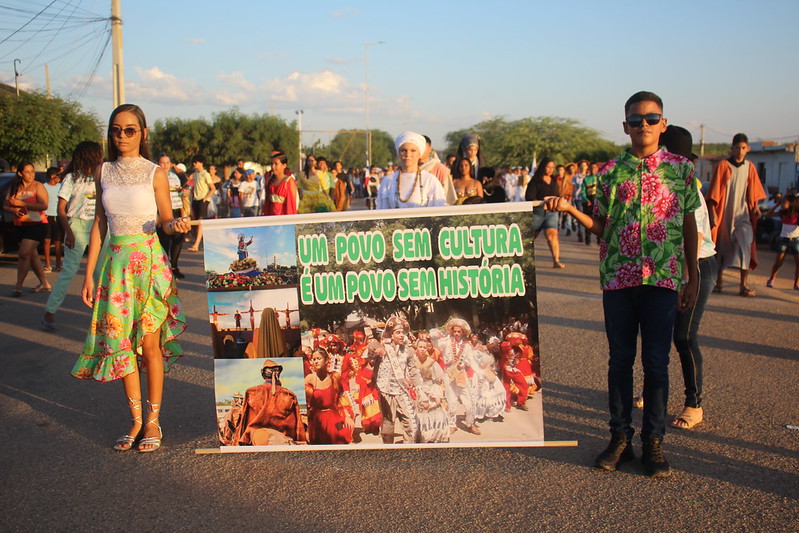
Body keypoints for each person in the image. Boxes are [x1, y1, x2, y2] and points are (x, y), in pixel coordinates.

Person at [544, 91, 699, 477]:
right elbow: (602, 227)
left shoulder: (681, 170)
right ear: (625, 125)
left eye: (651, 118)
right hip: (619, 277)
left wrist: (692, 275)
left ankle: (654, 441)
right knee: (620, 361)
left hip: (662, 277)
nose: (643, 125)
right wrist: (570, 209)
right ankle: (620, 438)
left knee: (657, 363)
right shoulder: (610, 172)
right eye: (635, 120)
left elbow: (691, 225)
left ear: (663, 123)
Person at [71, 103, 191, 453]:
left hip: (150, 266)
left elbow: (166, 221)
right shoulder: (103, 171)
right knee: (122, 345)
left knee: (150, 346)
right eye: (115, 130)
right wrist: (90, 274)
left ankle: (153, 421)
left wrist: (177, 225)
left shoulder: (155, 173)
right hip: (116, 268)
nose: (121, 136)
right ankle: (136, 421)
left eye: (129, 130)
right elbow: (99, 224)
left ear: (143, 133)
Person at [661, 125, 718, 431]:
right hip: (675, 266)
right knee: (661, 332)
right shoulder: (667, 183)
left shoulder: (686, 186)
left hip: (696, 266)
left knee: (684, 336)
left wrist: (688, 280)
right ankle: (657, 391)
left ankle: (694, 404)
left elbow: (692, 235)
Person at [41, 141, 104, 329]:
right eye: (98, 154)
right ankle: (50, 312)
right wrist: (68, 232)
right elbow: (61, 209)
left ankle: (100, 315)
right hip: (76, 226)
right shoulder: (71, 179)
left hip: (99, 227)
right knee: (69, 271)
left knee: (101, 273)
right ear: (90, 156)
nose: (101, 157)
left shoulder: (101, 176)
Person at [707, 133, 767, 296]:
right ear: (732, 148)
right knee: (722, 248)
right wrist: (713, 213)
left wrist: (755, 207)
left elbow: (753, 191)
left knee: (745, 245)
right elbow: (713, 193)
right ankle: (718, 283)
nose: (740, 151)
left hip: (743, 215)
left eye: (743, 148)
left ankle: (744, 284)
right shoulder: (723, 165)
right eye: (737, 148)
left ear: (747, 149)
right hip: (725, 214)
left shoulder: (750, 167)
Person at [373, 317, 428, 444]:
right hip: (386, 392)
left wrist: (420, 389)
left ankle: (408, 450)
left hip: (401, 391)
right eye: (398, 332)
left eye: (403, 332)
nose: (402, 335)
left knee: (411, 424)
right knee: (388, 426)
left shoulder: (408, 351)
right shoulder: (384, 348)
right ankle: (388, 451)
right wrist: (376, 349)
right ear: (391, 335)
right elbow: (370, 348)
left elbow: (413, 371)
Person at [3, 161, 51, 296]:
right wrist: (13, 210)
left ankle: (18, 286)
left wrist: (23, 203)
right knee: (32, 254)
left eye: (32, 171)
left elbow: (44, 205)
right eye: (27, 172)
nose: (31, 174)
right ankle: (44, 283)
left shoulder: (38, 186)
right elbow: (6, 205)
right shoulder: (14, 187)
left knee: (23, 254)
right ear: (20, 173)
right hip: (20, 225)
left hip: (37, 225)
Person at [233, 360, 307, 445]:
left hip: (257, 442)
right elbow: (297, 428)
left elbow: (243, 423)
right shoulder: (289, 395)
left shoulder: (252, 392)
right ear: (278, 374)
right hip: (283, 443)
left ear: (263, 374)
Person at [377, 132, 446, 209]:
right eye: (403, 150)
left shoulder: (429, 180)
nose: (407, 154)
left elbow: (438, 211)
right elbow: (382, 211)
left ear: (419, 153)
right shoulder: (388, 181)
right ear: (398, 153)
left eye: (413, 151)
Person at [439, 318, 481, 435]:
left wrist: (479, 372)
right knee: (451, 402)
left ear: (463, 333)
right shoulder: (446, 343)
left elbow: (471, 361)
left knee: (469, 401)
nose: (457, 334)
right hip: (449, 375)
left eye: (459, 332)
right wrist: (439, 335)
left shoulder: (467, 346)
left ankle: (470, 423)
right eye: (455, 331)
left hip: (462, 375)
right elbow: (436, 342)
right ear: (452, 332)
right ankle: (452, 424)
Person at [304, 347, 354, 444]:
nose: (316, 362)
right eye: (314, 359)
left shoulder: (334, 377)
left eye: (319, 358)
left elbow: (342, 398)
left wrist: (347, 416)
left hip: (333, 418)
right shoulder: (309, 379)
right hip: (317, 421)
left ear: (326, 360)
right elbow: (303, 401)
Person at [525, 158, 565, 268]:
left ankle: (556, 260)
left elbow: (557, 194)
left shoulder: (554, 181)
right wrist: (541, 202)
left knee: (552, 235)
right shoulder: (535, 181)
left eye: (552, 167)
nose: (550, 169)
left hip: (551, 212)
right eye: (548, 167)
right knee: (530, 238)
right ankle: (523, 259)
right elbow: (529, 197)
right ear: (543, 167)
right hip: (537, 212)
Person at [155, 153, 186, 279]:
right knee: (164, 242)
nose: (165, 165)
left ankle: (174, 266)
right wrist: (156, 215)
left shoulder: (175, 177)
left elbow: (179, 195)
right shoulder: (155, 177)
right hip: (162, 212)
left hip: (176, 211)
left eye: (168, 162)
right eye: (163, 162)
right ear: (157, 163)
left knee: (178, 240)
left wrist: (183, 213)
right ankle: (165, 269)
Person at [413, 337, 450, 443]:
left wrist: (436, 392)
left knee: (434, 412)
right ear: (416, 347)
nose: (422, 349)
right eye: (420, 347)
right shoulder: (412, 361)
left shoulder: (432, 362)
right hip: (417, 389)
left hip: (430, 387)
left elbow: (439, 378)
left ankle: (434, 436)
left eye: (424, 347)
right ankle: (419, 436)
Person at [764, 194, 799, 290]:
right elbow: (768, 214)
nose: (782, 204)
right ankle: (771, 279)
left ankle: (796, 283)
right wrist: (776, 205)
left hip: (795, 240)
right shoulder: (783, 212)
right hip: (784, 239)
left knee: (798, 264)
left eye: (785, 202)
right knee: (778, 262)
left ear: (791, 203)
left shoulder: (797, 214)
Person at [187, 154, 216, 251]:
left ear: (201, 163)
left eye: (196, 162)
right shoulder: (195, 174)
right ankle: (198, 241)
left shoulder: (205, 174)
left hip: (203, 200)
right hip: (195, 199)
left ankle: (196, 244)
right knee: (195, 221)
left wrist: (205, 198)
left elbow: (213, 189)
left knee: (201, 222)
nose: (194, 164)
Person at [420, 135, 457, 205]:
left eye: (423, 147)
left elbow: (448, 198)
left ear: (430, 149)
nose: (421, 151)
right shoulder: (409, 170)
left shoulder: (441, 169)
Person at [42, 167, 63, 273]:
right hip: (46, 216)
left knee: (58, 241)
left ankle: (58, 265)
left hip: (58, 216)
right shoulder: (43, 187)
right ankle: (47, 265)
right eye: (58, 176)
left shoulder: (61, 186)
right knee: (46, 240)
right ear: (52, 176)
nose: (59, 178)